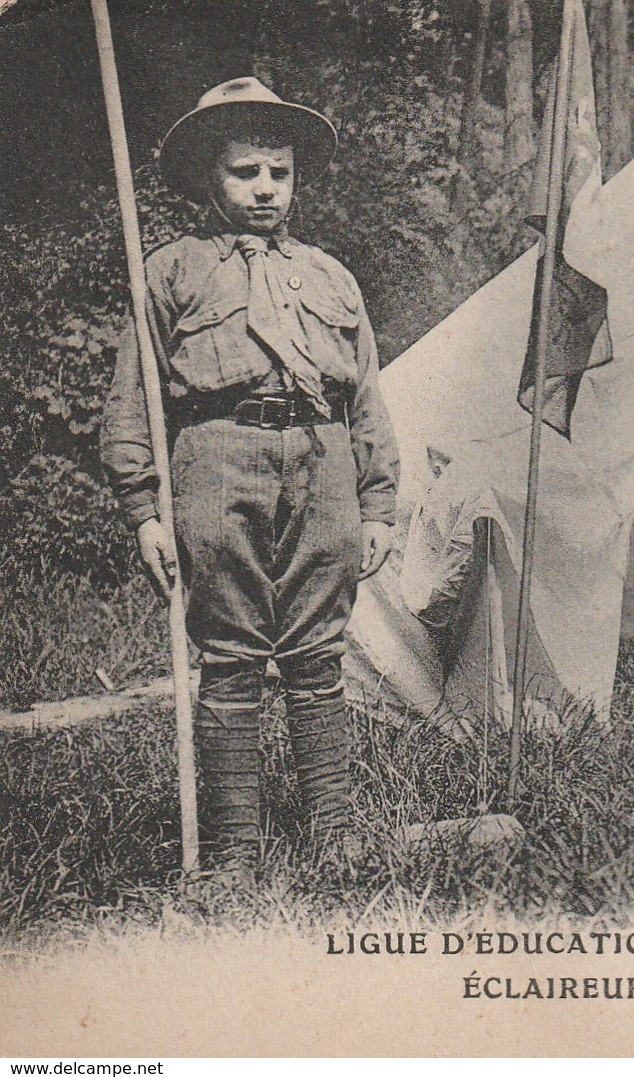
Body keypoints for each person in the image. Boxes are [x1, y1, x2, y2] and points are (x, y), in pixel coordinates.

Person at [99, 78, 399, 874]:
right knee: (230, 653)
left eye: (280, 172)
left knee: (316, 651)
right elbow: (135, 398)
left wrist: (378, 502)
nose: (265, 188)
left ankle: (333, 834)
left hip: (323, 460)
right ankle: (236, 846)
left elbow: (365, 395)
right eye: (245, 172)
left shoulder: (332, 276)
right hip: (217, 459)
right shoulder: (169, 271)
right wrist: (143, 509)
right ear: (209, 179)